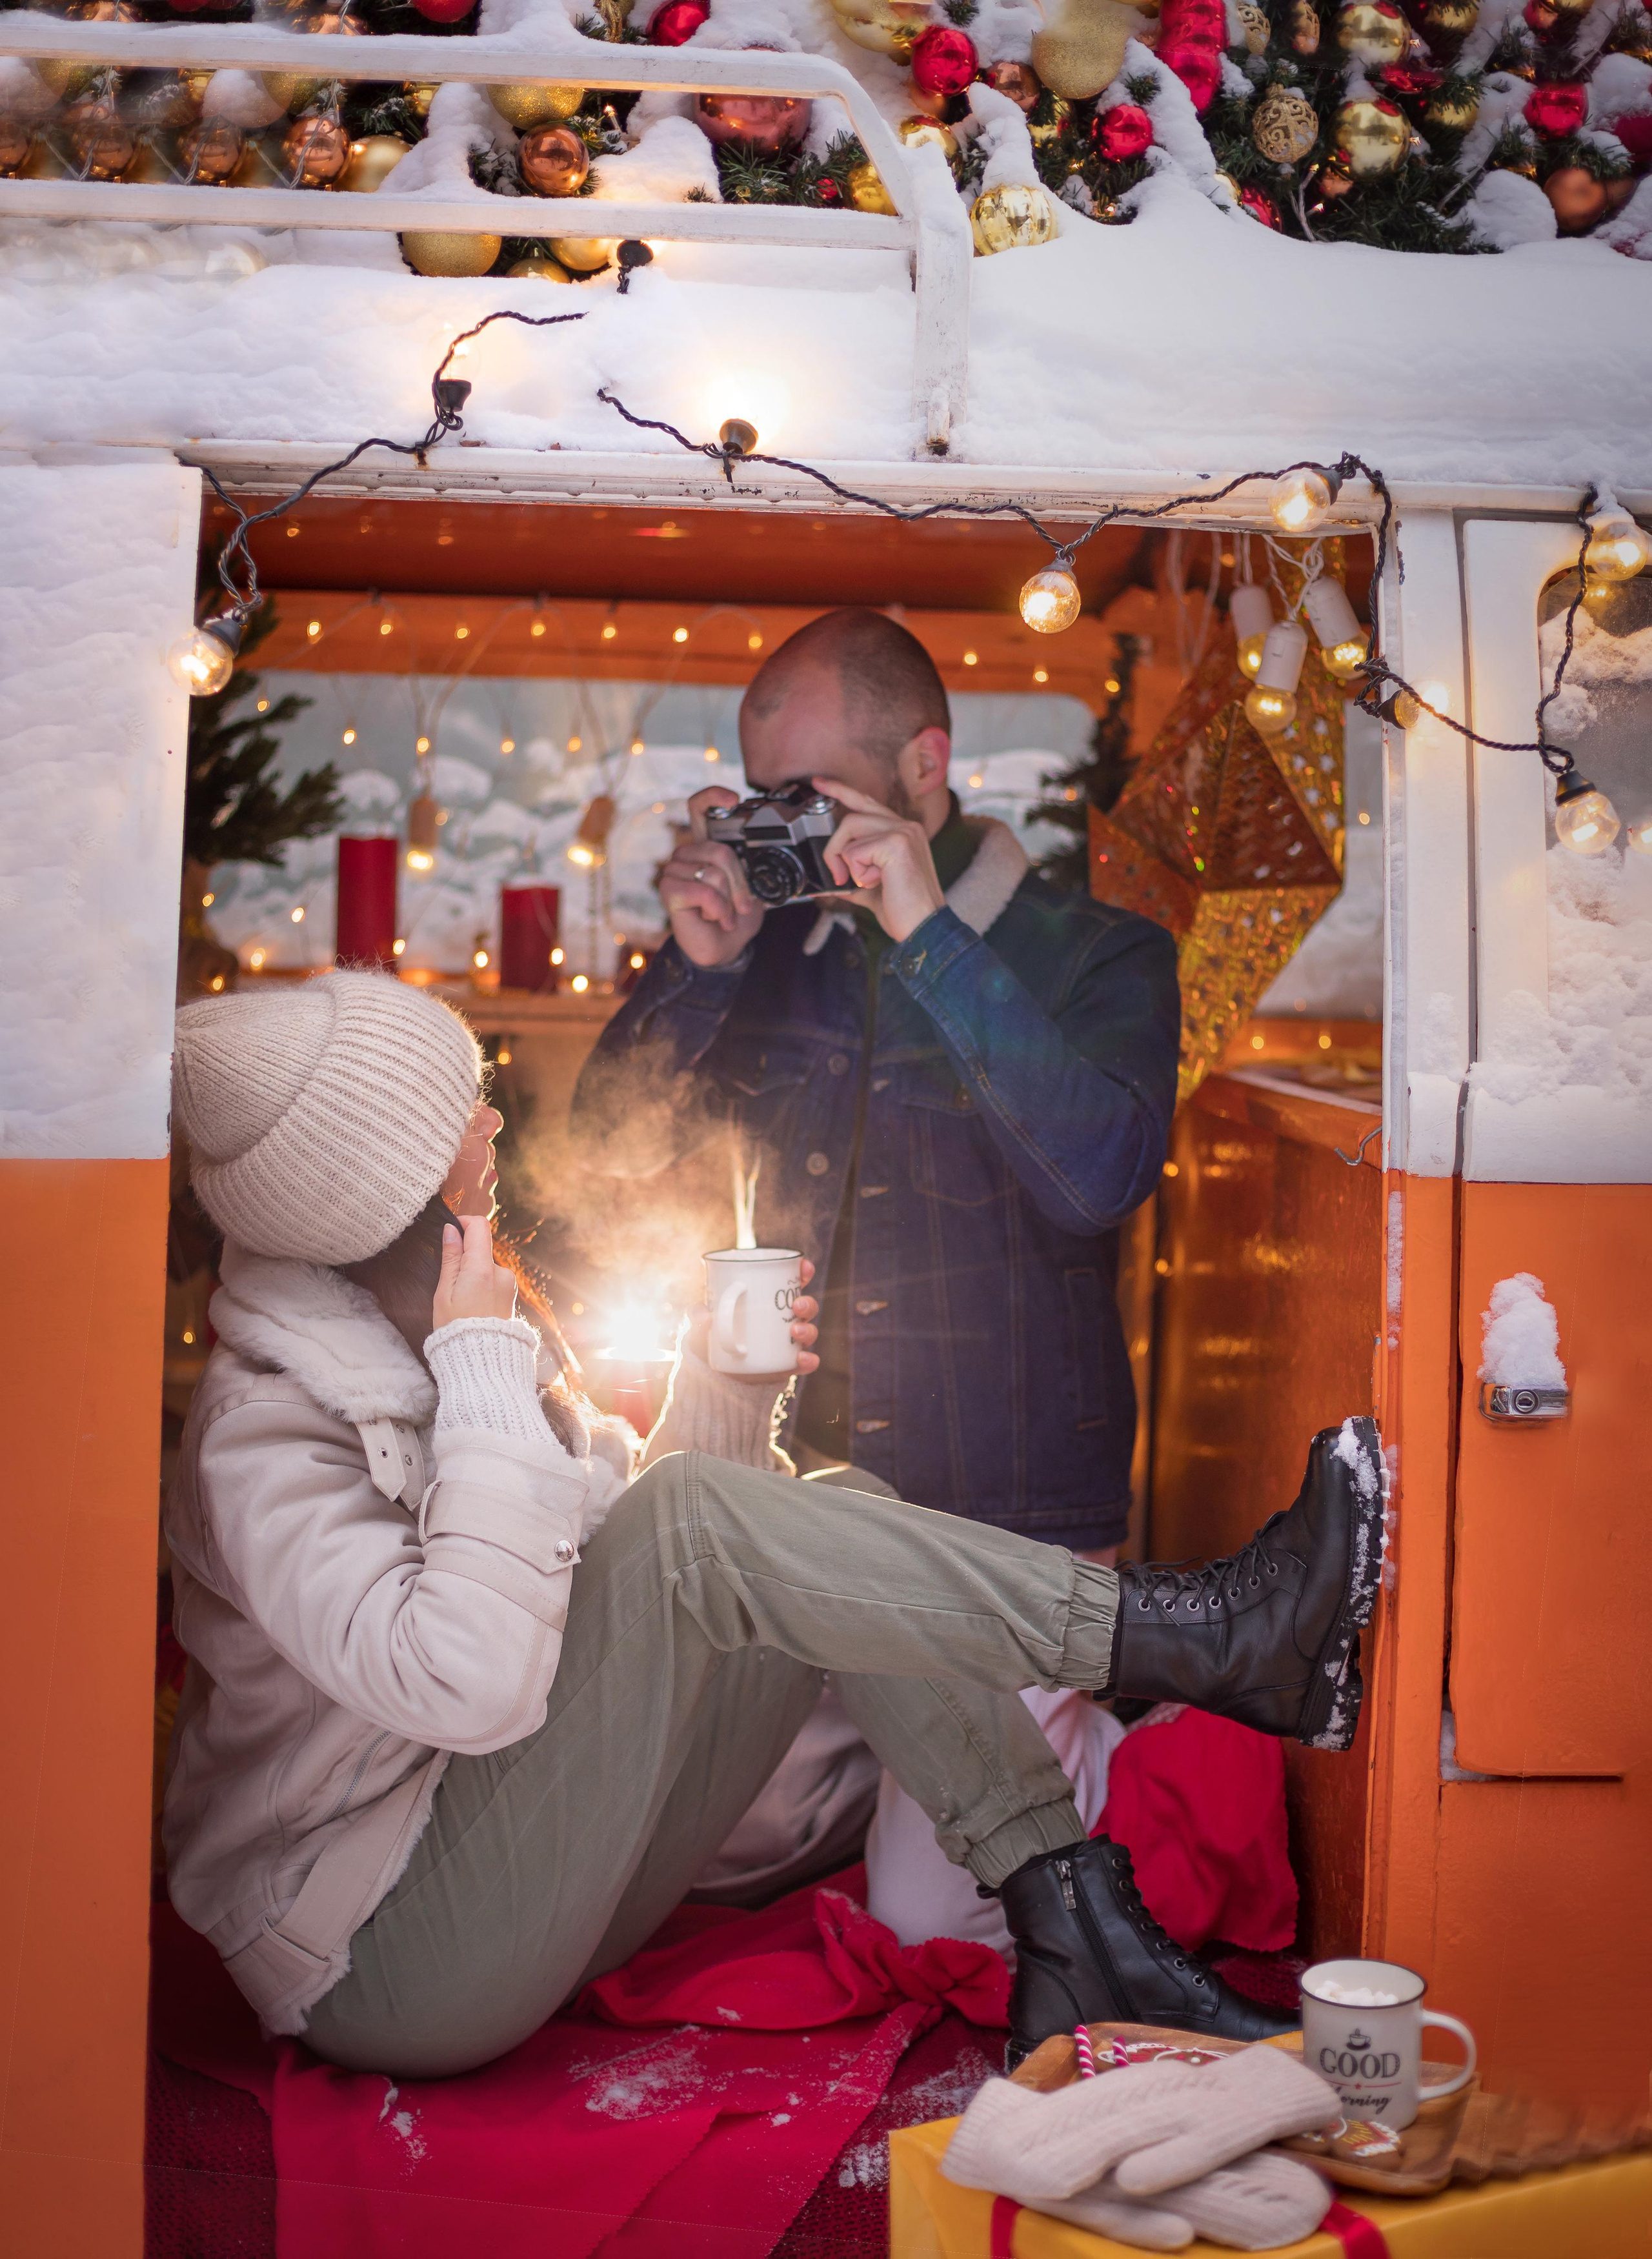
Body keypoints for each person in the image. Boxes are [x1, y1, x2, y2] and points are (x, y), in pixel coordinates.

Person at [163, 972, 1384, 2081]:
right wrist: (483, 1367)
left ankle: (1074, 1928)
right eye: (460, 1116)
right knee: (709, 1521)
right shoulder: (263, 1434)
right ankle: (1201, 1636)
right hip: (382, 1955)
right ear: (388, 1191)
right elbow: (471, 1677)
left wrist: (722, 1391)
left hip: (512, 1839)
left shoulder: (444, 1319)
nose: (491, 1123)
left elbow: (616, 1573)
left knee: (830, 1500)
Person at [571, 607, 1181, 1556]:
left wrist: (932, 940)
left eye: (811, 796)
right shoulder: (762, 951)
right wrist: (700, 969)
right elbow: (610, 1146)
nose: (782, 830)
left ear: (926, 765)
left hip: (1008, 1530)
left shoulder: (1103, 955)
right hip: (784, 1497)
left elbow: (1099, 1179)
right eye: (760, 801)